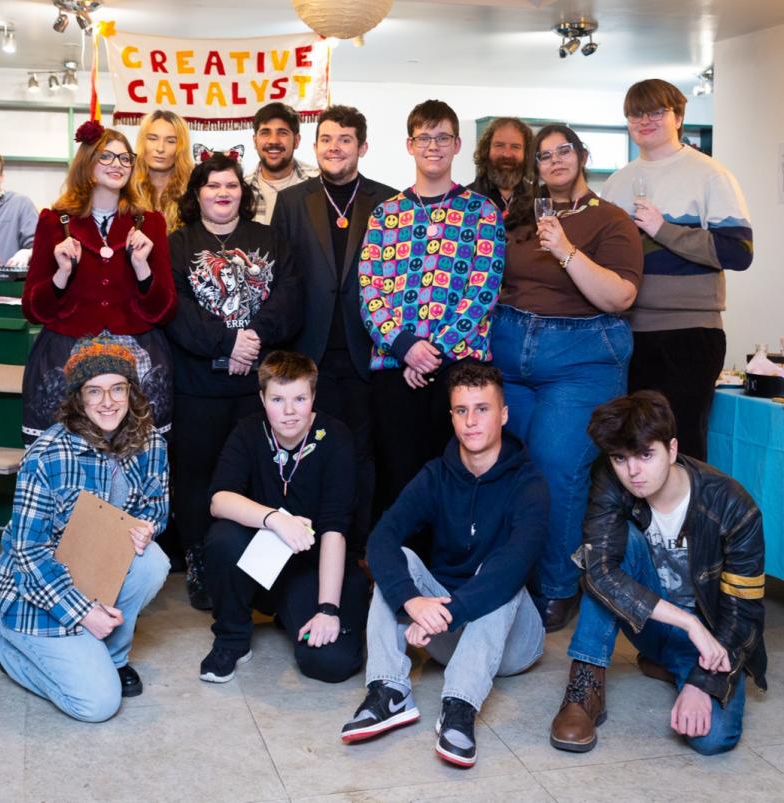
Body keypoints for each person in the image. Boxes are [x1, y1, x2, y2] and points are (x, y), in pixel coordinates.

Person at [341, 362, 548, 768]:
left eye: (482, 409)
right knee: (395, 560)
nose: (471, 421)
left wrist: (447, 612)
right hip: (444, 630)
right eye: (461, 410)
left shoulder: (529, 484)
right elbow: (382, 537)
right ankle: (389, 690)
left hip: (513, 641)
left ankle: (459, 705)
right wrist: (414, 602)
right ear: (451, 416)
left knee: (500, 575)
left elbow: (513, 566)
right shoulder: (437, 474)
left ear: (503, 414)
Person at [550, 390, 766, 756]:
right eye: (620, 458)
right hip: (655, 621)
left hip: (710, 638)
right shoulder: (609, 480)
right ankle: (584, 687)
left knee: (713, 738)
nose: (633, 472)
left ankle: (674, 666)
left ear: (672, 448)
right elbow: (600, 573)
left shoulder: (733, 505)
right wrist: (687, 623)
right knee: (612, 552)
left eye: (646, 455)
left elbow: (743, 615)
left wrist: (702, 681)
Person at [489, 123, 643, 632]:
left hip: (579, 357)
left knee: (557, 467)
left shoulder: (610, 221)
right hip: (510, 351)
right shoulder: (521, 217)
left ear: (581, 156)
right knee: (501, 463)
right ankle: (504, 577)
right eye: (544, 155)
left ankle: (556, 587)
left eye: (563, 151)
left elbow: (620, 297)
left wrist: (567, 252)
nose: (554, 161)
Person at [0, 336, 171, 722]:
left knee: (152, 560)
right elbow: (28, 555)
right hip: (36, 594)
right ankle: (4, 644)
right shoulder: (47, 456)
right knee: (98, 705)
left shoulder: (151, 442)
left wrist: (148, 527)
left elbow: (157, 506)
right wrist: (83, 612)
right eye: (94, 391)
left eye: (117, 388)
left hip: (95, 572)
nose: (108, 401)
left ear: (131, 392)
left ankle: (113, 657)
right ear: (78, 399)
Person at [164, 153, 300, 610]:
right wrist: (227, 343)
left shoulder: (270, 239)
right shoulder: (177, 245)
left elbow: (289, 296)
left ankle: (258, 569)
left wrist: (253, 340)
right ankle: (202, 565)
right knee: (197, 478)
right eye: (213, 186)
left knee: (259, 475)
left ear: (244, 193)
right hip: (197, 386)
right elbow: (176, 310)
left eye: (231, 185)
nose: (223, 193)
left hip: (255, 388)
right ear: (197, 194)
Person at [359, 99, 505, 514]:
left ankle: (452, 575)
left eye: (442, 137)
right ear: (410, 144)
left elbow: (483, 290)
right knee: (398, 480)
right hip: (393, 368)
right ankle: (399, 572)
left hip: (460, 369)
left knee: (458, 481)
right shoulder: (386, 214)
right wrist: (406, 347)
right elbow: (369, 289)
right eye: (425, 138)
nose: (433, 146)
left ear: (457, 144)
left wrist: (430, 353)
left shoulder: (482, 212)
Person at [601, 79, 753, 461]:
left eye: (657, 111)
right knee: (634, 446)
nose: (645, 120)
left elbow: (738, 252)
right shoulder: (616, 183)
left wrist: (662, 229)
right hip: (630, 332)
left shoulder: (709, 174)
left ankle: (689, 523)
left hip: (691, 334)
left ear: (679, 117)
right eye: (636, 113)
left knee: (682, 445)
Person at [200, 351, 369, 684]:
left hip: (316, 565)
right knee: (223, 538)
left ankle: (291, 610)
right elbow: (219, 500)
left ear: (313, 397)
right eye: (278, 399)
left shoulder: (336, 438)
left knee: (330, 664)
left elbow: (336, 528)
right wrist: (275, 519)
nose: (289, 411)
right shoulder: (249, 431)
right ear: (262, 398)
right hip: (266, 560)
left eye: (299, 399)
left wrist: (327, 610)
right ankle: (232, 639)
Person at [272, 104, 395, 556]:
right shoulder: (292, 202)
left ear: (362, 147)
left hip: (369, 351)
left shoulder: (387, 200)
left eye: (345, 140)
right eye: (326, 139)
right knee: (309, 453)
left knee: (363, 456)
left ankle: (359, 548)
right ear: (315, 145)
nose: (335, 147)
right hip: (310, 351)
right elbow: (282, 278)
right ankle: (307, 547)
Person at [20, 120, 177, 444]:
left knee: (135, 457)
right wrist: (61, 275)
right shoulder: (53, 221)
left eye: (124, 158)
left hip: (137, 359)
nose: (117, 165)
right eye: (106, 157)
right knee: (66, 456)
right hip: (66, 354)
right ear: (87, 162)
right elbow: (34, 310)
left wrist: (142, 268)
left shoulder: (150, 223)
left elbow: (164, 310)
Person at [245, 102, 319, 224]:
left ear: (296, 141)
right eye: (265, 133)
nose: (273, 140)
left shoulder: (319, 182)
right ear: (255, 141)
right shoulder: (240, 189)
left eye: (282, 133)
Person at [132, 109, 194, 233]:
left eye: (171, 141)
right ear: (142, 142)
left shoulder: (194, 191)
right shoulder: (125, 188)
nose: (160, 148)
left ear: (181, 147)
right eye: (152, 138)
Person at [468, 117, 534, 221]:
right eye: (499, 145)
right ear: (486, 150)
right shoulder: (464, 199)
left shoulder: (537, 199)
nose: (507, 154)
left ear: (527, 153)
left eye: (515, 147)